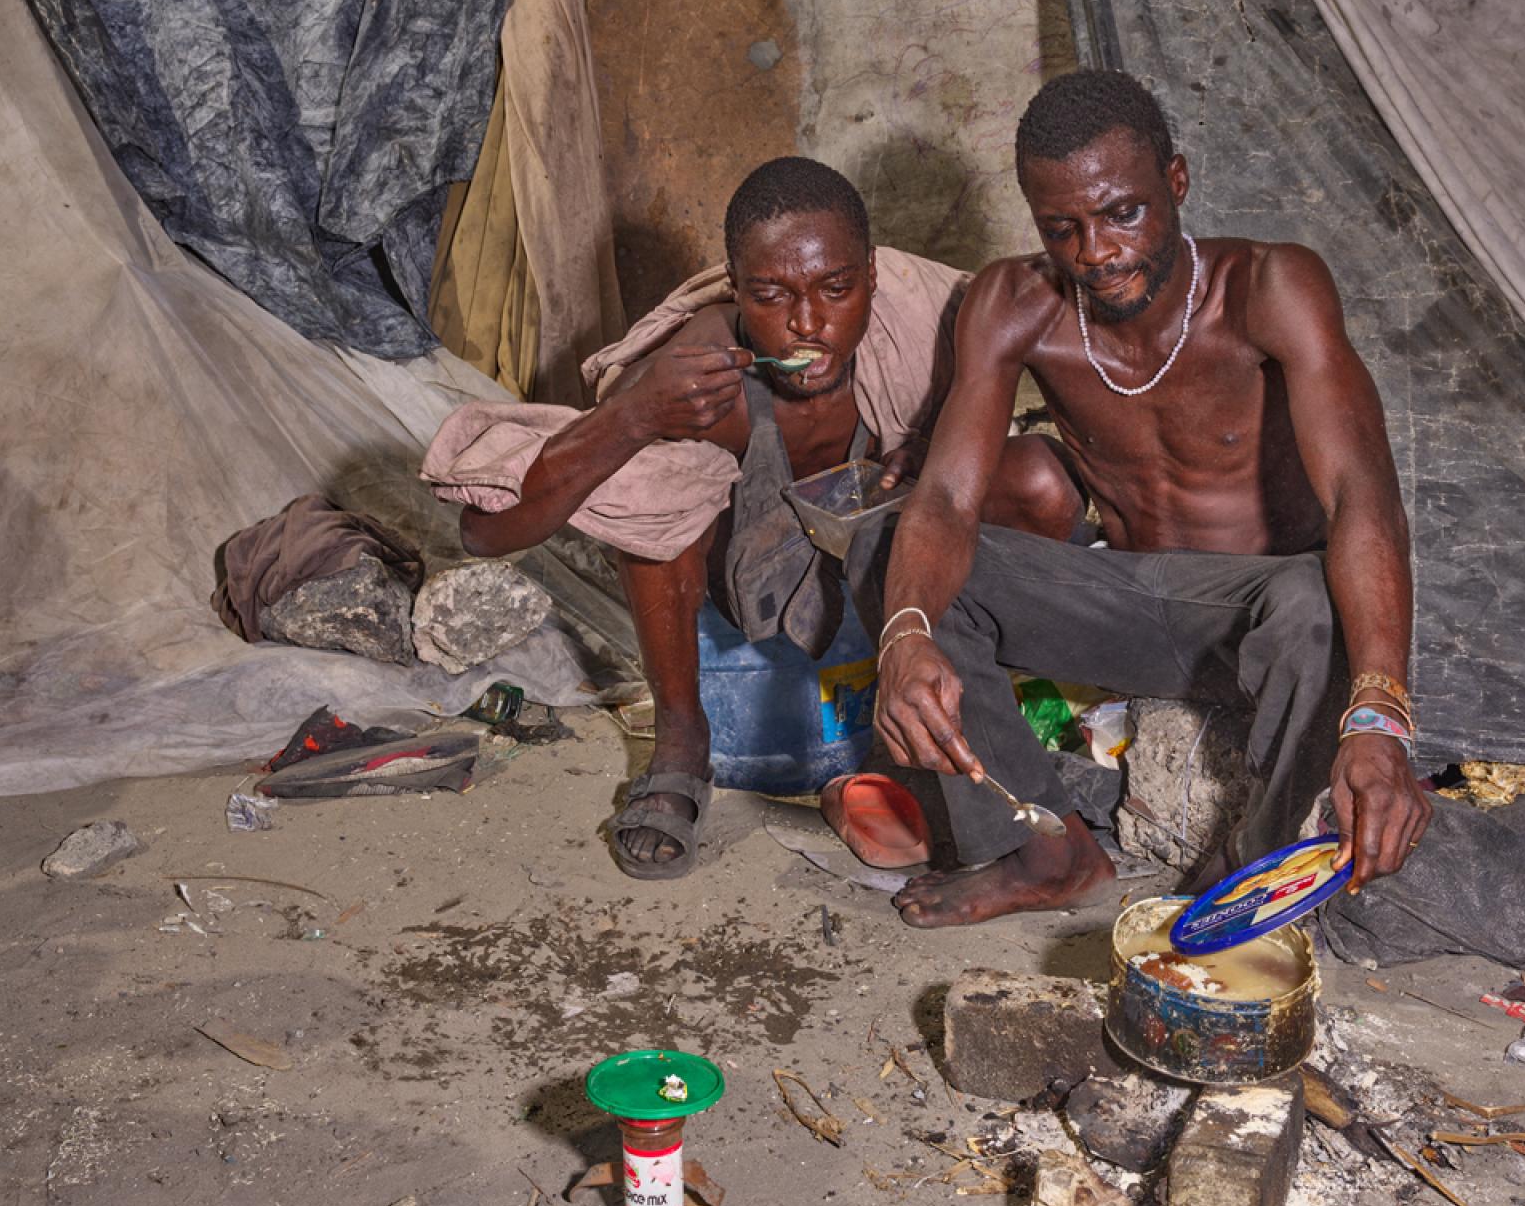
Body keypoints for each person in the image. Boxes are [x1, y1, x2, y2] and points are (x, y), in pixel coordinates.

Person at [855, 69, 1432, 927]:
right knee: (892, 556)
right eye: (1063, 227)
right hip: (1123, 599)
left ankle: (1250, 881)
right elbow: (944, 496)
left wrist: (1381, 713)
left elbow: (1363, 497)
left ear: (1177, 182)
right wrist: (905, 636)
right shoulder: (1010, 304)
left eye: (1122, 212)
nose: (1095, 251)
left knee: (1308, 597)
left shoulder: (1269, 288)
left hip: (1264, 622)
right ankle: (1043, 846)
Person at [427, 157, 1082, 879]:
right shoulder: (703, 377)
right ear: (736, 289)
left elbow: (1068, 349)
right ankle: (682, 736)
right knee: (655, 502)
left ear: (870, 270)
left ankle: (979, 695)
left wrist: (942, 434)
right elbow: (486, 532)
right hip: (740, 580)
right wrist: (637, 415)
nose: (808, 324)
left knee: (1038, 480)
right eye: (772, 296)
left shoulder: (920, 317)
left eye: (837, 289)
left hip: (890, 562)